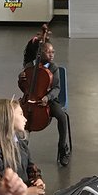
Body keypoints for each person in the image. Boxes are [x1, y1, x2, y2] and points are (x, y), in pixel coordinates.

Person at [19, 35, 72, 166]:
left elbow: (57, 88)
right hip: (31, 99)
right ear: (39, 52)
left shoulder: (53, 68)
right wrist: (21, 79)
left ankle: (62, 149)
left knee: (61, 116)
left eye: (52, 51)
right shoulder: (30, 65)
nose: (51, 54)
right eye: (48, 51)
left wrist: (47, 98)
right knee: (21, 119)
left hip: (48, 99)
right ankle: (22, 151)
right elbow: (24, 87)